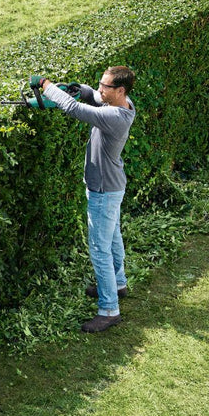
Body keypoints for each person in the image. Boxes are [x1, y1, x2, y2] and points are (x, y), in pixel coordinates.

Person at [36, 66, 136, 333]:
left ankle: (109, 310)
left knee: (99, 249)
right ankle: (118, 283)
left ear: (121, 91)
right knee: (112, 236)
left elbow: (76, 110)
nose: (100, 90)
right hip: (112, 185)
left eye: (106, 87)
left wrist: (47, 86)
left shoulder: (114, 116)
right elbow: (93, 98)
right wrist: (83, 90)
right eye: (100, 84)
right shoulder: (125, 104)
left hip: (103, 190)